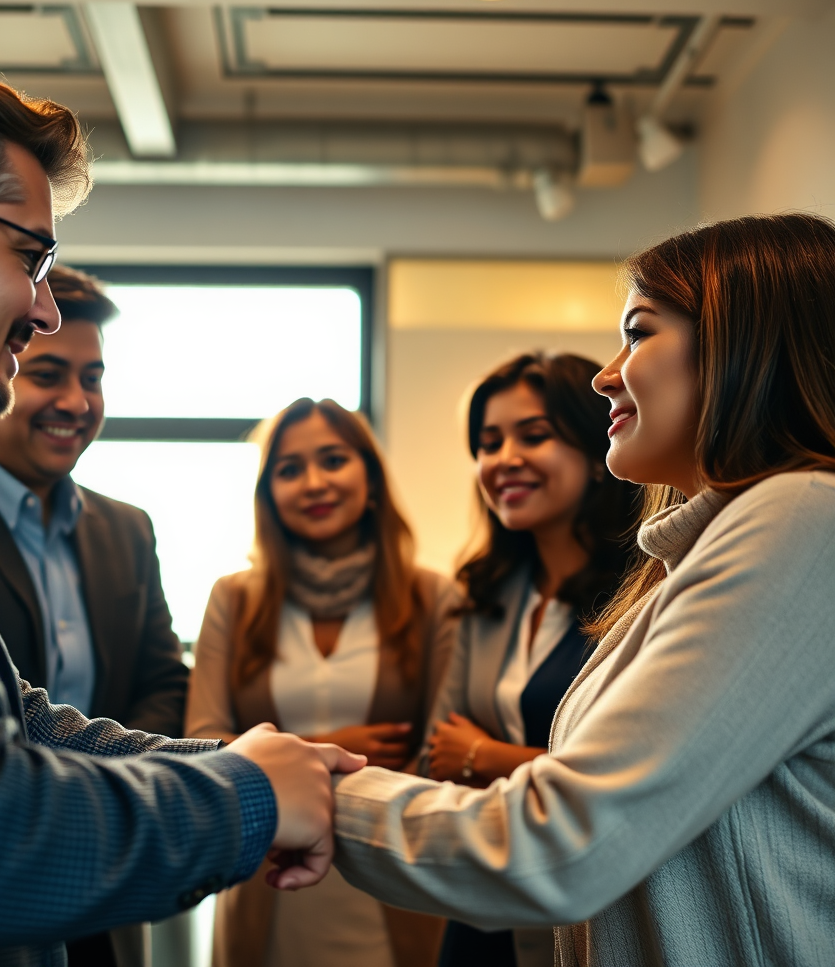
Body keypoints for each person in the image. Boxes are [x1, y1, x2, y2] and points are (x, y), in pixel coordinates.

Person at [0, 44, 362, 967]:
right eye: (27, 256)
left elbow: (16, 721)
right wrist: (247, 798)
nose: (41, 311)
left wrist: (232, 763)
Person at [328, 213, 835, 967]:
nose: (604, 374)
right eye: (488, 443)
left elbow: (562, 844)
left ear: (742, 345)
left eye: (638, 332)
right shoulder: (682, 561)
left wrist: (295, 797)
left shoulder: (802, 517)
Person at [0, 263, 189, 967]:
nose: (77, 401)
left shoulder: (127, 528)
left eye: (94, 377)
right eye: (48, 374)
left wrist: (117, 796)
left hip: (115, 867)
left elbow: (164, 681)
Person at [186, 398, 461, 967]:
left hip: (391, 871)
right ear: (269, 495)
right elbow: (207, 745)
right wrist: (328, 748)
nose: (313, 483)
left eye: (333, 460)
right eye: (288, 469)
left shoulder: (435, 598)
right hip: (269, 874)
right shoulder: (234, 599)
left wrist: (284, 764)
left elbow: (441, 756)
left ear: (372, 478)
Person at [423, 353, 641, 967]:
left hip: (592, 905)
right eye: (488, 443)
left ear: (596, 451)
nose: (504, 459)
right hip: (485, 896)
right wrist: (530, 766)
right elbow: (438, 755)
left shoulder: (645, 593)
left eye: (534, 435)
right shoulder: (485, 595)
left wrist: (486, 756)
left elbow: (628, 782)